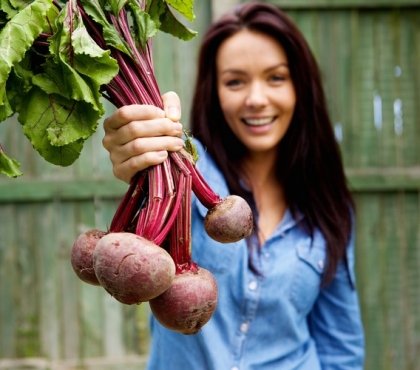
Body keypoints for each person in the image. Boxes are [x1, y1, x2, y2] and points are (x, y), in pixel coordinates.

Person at [102, 2, 365, 369]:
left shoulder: (328, 206)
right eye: (235, 81)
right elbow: (144, 167)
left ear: (301, 87)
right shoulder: (183, 173)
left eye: (276, 77)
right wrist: (137, 150)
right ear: (215, 92)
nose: (257, 99)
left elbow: (341, 347)